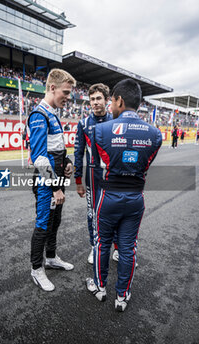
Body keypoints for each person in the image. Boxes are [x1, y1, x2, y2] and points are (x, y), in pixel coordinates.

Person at [86, 78, 162, 311]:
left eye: (111, 101)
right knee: (128, 248)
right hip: (135, 198)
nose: (109, 106)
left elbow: (96, 164)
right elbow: (146, 164)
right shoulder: (156, 134)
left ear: (119, 100)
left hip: (108, 196)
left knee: (102, 243)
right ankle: (122, 296)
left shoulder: (99, 130)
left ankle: (100, 288)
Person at [27, 68, 76, 292]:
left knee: (55, 222)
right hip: (47, 183)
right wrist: (56, 187)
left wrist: (66, 161)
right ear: (52, 88)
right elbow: (39, 156)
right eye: (66, 92)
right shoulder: (39, 115)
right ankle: (37, 269)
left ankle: (51, 257)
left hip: (57, 179)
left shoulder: (53, 114)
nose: (68, 97)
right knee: (43, 223)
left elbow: (56, 148)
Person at [74, 83, 118, 264]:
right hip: (92, 178)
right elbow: (78, 153)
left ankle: (117, 249)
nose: (95, 102)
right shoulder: (83, 124)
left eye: (99, 98)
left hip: (113, 177)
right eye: (92, 99)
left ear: (107, 100)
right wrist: (78, 180)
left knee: (115, 213)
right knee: (92, 214)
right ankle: (95, 247)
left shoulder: (116, 122)